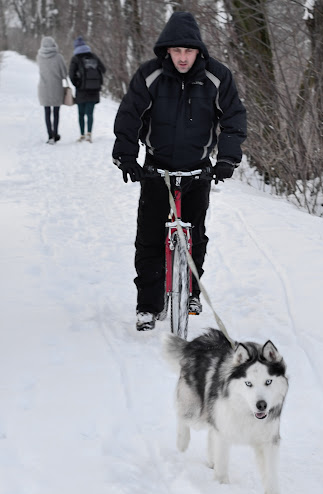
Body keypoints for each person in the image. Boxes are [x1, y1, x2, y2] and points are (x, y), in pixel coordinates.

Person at [112, 11, 247, 331]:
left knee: (195, 235)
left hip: (198, 172)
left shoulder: (217, 76)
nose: (182, 58)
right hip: (157, 170)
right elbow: (129, 115)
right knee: (149, 239)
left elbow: (233, 119)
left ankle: (192, 293)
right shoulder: (150, 75)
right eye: (176, 51)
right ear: (167, 51)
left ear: (198, 50)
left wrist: (226, 160)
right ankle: (148, 304)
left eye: (188, 51)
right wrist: (126, 156)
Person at [69, 36, 106, 142]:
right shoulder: (93, 56)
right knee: (90, 113)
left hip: (81, 90)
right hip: (94, 89)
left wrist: (77, 84)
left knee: (81, 113)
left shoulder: (76, 58)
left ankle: (82, 135)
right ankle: (89, 134)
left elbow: (71, 75)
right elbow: (103, 69)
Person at [36, 37, 68, 144]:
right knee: (56, 112)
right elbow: (64, 74)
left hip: (43, 88)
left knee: (47, 112)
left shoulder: (39, 56)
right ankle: (55, 134)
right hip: (56, 88)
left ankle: (50, 136)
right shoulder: (59, 57)